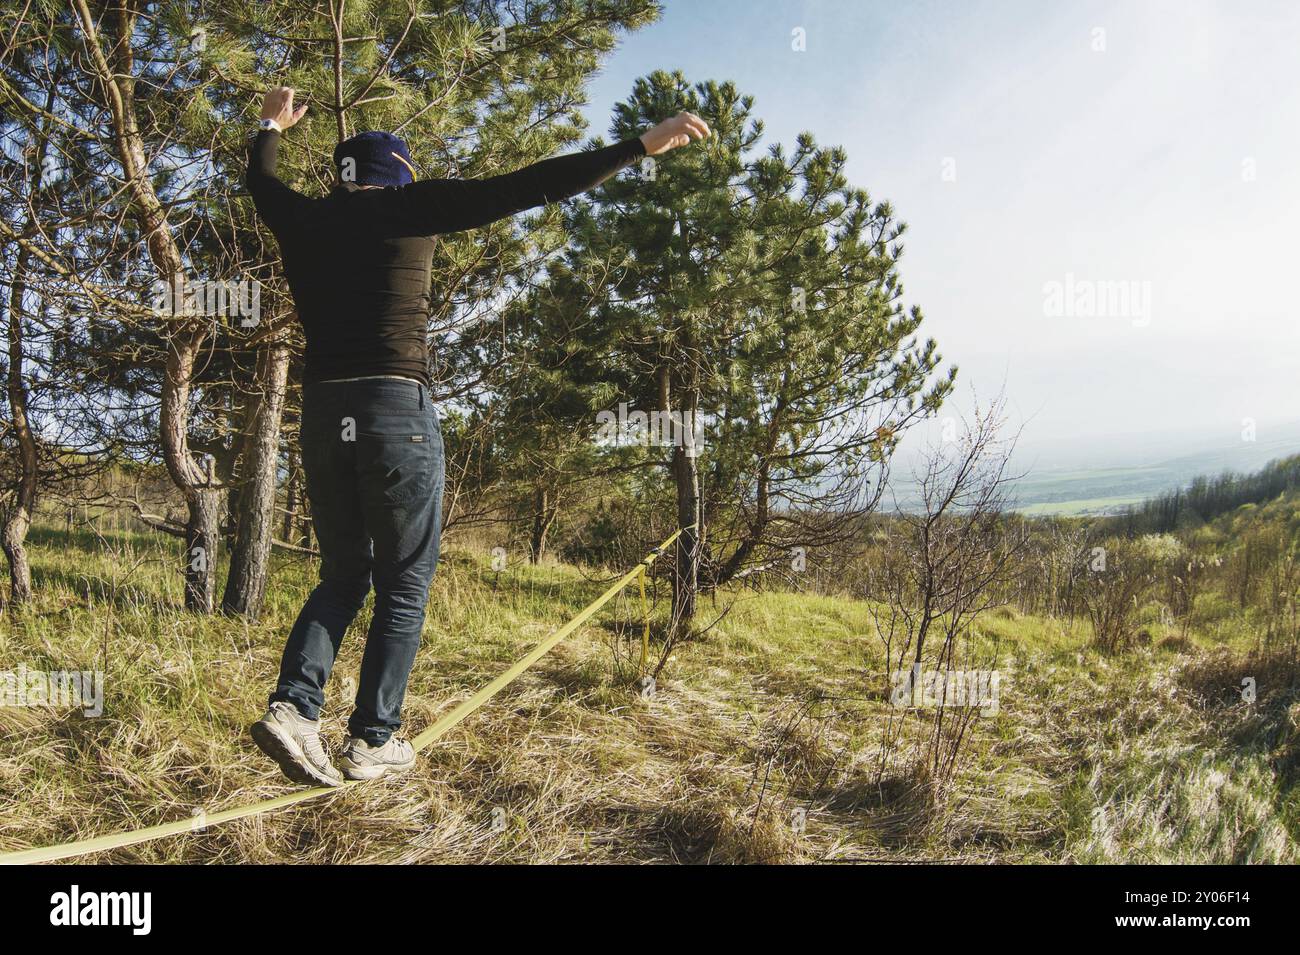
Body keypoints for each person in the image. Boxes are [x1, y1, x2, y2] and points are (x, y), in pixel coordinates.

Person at [245, 86, 710, 786]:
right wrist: (639, 147)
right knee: (405, 578)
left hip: (321, 412)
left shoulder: (306, 221)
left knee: (343, 572)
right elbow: (535, 184)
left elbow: (261, 180)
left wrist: (271, 125)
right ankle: (373, 737)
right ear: (400, 174)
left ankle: (294, 707)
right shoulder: (415, 206)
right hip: (395, 408)